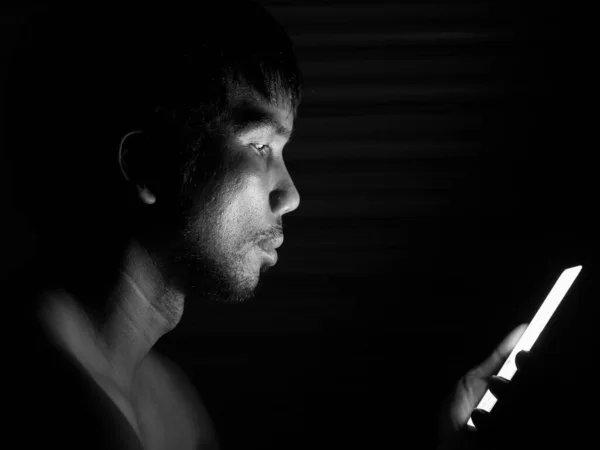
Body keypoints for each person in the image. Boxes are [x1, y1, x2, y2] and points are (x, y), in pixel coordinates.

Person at [2, 1, 529, 449]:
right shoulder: (51, 405)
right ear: (146, 165)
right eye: (259, 146)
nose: (290, 195)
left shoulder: (165, 395)